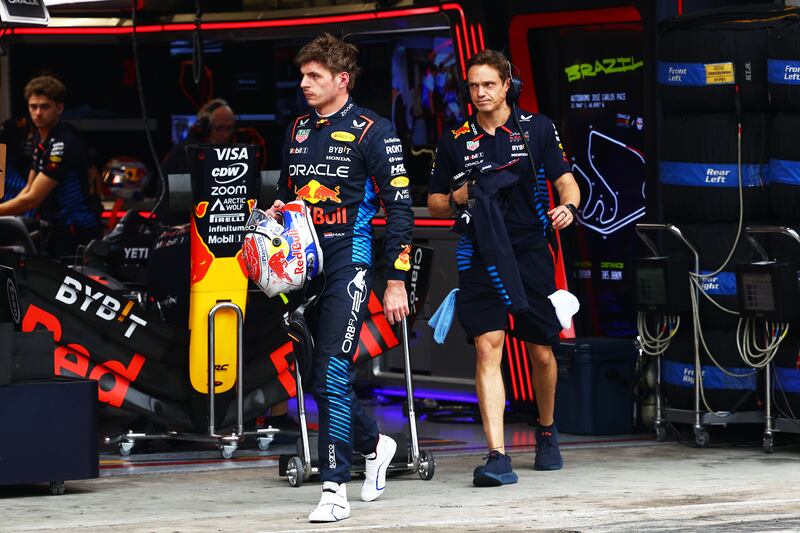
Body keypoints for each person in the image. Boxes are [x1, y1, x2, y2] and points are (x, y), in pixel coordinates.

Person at [266, 33, 413, 522]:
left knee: (331, 371)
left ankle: (334, 488)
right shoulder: (297, 130)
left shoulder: (376, 130)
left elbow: (400, 210)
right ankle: (377, 444)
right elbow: (289, 196)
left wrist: (395, 279)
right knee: (311, 375)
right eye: (303, 75)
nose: (304, 83)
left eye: (315, 76)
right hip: (303, 267)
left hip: (349, 261)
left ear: (342, 80)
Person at [427, 49, 580, 486]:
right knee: (487, 346)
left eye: (488, 84)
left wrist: (568, 206)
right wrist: (459, 196)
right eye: (473, 85)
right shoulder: (455, 139)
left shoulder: (538, 129)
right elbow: (435, 201)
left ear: (507, 83)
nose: (480, 93)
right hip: (478, 252)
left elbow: (565, 180)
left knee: (541, 350)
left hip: (531, 252)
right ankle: (497, 455)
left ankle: (546, 430)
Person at [0, 75, 101, 259]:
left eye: (45, 106)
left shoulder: (63, 143)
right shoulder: (41, 138)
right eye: (33, 107)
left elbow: (32, 200)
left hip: (75, 234)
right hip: (52, 232)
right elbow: (28, 188)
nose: (38, 113)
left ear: (59, 108)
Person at [161, 98, 236, 175]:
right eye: (220, 128)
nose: (226, 135)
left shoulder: (229, 155)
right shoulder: (183, 155)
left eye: (229, 128)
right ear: (205, 127)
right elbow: (178, 186)